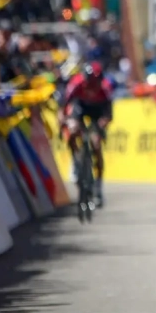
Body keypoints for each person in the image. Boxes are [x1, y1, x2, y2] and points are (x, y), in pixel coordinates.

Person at [61, 61, 113, 207]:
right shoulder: (76, 83)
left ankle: (98, 186)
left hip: (98, 110)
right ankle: (76, 159)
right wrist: (65, 120)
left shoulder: (105, 88)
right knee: (73, 130)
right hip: (81, 107)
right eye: (90, 83)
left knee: (96, 144)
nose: (92, 86)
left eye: (96, 83)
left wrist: (103, 123)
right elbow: (64, 104)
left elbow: (109, 113)